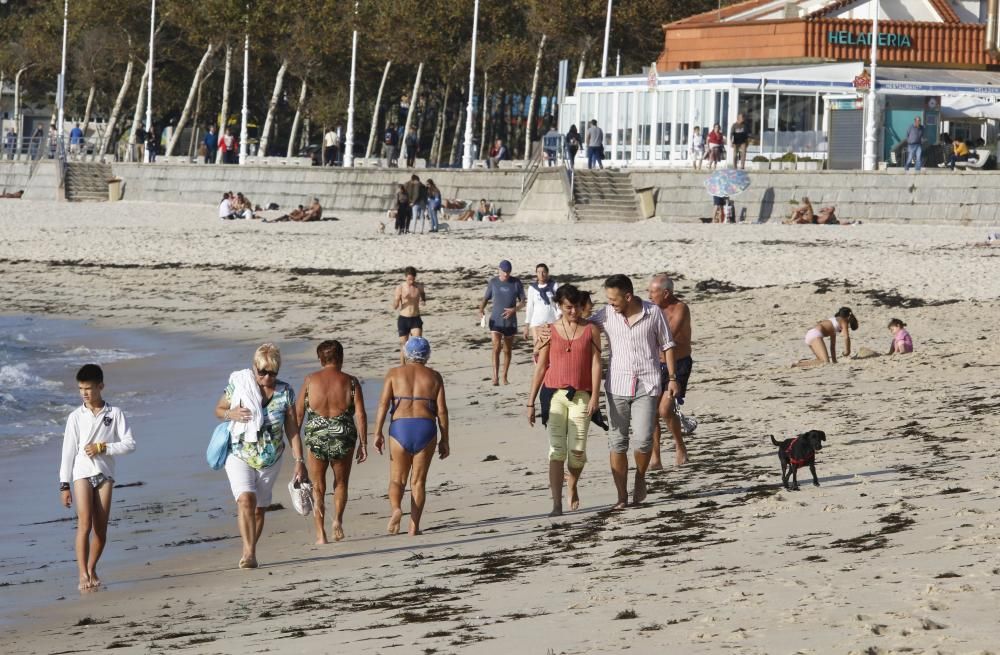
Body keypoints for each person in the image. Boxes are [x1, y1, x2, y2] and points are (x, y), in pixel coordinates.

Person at [213, 343, 307, 568]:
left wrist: (299, 461)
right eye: (262, 371)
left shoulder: (285, 392)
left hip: (270, 459)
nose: (266, 377)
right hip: (239, 453)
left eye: (272, 372)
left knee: (259, 508)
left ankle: (251, 549)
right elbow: (218, 410)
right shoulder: (239, 385)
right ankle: (248, 553)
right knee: (246, 499)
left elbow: (292, 429)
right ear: (254, 367)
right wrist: (231, 413)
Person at [589, 274, 678, 510]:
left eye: (614, 299)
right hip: (617, 385)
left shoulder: (653, 313)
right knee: (617, 442)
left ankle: (640, 478)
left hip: (647, 384)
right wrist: (551, 329)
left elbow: (667, 345)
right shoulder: (606, 314)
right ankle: (621, 496)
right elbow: (581, 326)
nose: (610, 303)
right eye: (608, 299)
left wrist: (672, 378)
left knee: (643, 438)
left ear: (628, 296)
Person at [59, 364, 136, 591]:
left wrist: (103, 447)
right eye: (81, 388)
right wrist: (64, 485)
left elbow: (130, 444)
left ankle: (92, 568)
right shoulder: (75, 416)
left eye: (89, 388)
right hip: (81, 473)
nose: (84, 393)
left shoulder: (115, 413)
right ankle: (82, 573)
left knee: (101, 530)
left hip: (105, 474)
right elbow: (68, 452)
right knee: (84, 523)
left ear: (100, 386)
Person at [527, 285, 602, 516]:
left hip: (581, 395)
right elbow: (541, 367)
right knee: (557, 451)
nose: (573, 312)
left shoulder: (591, 330)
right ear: (559, 306)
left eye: (577, 307)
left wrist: (595, 397)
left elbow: (596, 364)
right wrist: (530, 402)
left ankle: (572, 483)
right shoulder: (549, 331)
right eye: (568, 307)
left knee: (577, 451)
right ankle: (556, 504)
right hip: (554, 396)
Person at [373, 337, 450, 536]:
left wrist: (377, 432)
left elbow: (383, 405)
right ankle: (414, 527)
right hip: (425, 427)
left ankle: (396, 508)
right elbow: (442, 411)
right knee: (418, 482)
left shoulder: (394, 374)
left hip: (400, 428)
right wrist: (445, 439)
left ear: (406, 354)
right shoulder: (434, 376)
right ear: (427, 355)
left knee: (397, 479)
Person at [295, 340, 368, 544]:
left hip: (317, 436)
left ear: (320, 360)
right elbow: (360, 415)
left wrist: (295, 444)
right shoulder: (351, 382)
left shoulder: (310, 380)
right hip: (342, 435)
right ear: (341, 358)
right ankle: (337, 520)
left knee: (318, 485)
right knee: (341, 482)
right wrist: (363, 443)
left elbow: (299, 414)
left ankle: (320, 534)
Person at [648, 274, 691, 469]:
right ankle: (655, 458)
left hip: (679, 364)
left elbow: (667, 337)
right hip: (655, 365)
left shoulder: (680, 308)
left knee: (664, 409)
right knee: (651, 412)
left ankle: (680, 446)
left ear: (666, 293)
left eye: (653, 292)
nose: (649, 295)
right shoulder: (652, 309)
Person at [478, 260, 526, 386]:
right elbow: (486, 298)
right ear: (499, 270)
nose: (506, 274)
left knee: (507, 350)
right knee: (496, 347)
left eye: (508, 272)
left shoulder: (516, 283)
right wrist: (481, 309)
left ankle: (504, 376)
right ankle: (495, 377)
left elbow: (523, 301)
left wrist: (514, 310)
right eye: (504, 271)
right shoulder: (493, 282)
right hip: (496, 321)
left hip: (510, 322)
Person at [793, 307, 859, 368]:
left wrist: (834, 361)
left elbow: (832, 346)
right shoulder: (843, 321)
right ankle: (797, 365)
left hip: (810, 334)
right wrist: (847, 351)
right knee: (825, 362)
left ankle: (802, 362)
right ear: (847, 317)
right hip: (815, 335)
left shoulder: (833, 322)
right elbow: (846, 337)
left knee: (819, 360)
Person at [393, 266, 427, 364]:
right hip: (403, 319)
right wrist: (399, 299)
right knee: (404, 346)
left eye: (412, 279)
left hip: (415, 318)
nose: (411, 282)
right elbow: (395, 306)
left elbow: (423, 295)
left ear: (415, 277)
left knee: (418, 343)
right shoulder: (400, 288)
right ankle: (403, 367)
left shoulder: (419, 286)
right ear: (405, 277)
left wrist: (423, 301)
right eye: (409, 279)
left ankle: (419, 366)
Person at [523, 263, 560, 346]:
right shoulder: (532, 288)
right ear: (536, 273)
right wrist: (526, 326)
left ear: (547, 273)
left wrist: (559, 318)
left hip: (551, 321)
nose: (541, 274)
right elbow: (530, 307)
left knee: (551, 346)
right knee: (537, 347)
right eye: (539, 272)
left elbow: (558, 304)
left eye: (543, 272)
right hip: (536, 322)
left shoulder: (554, 286)